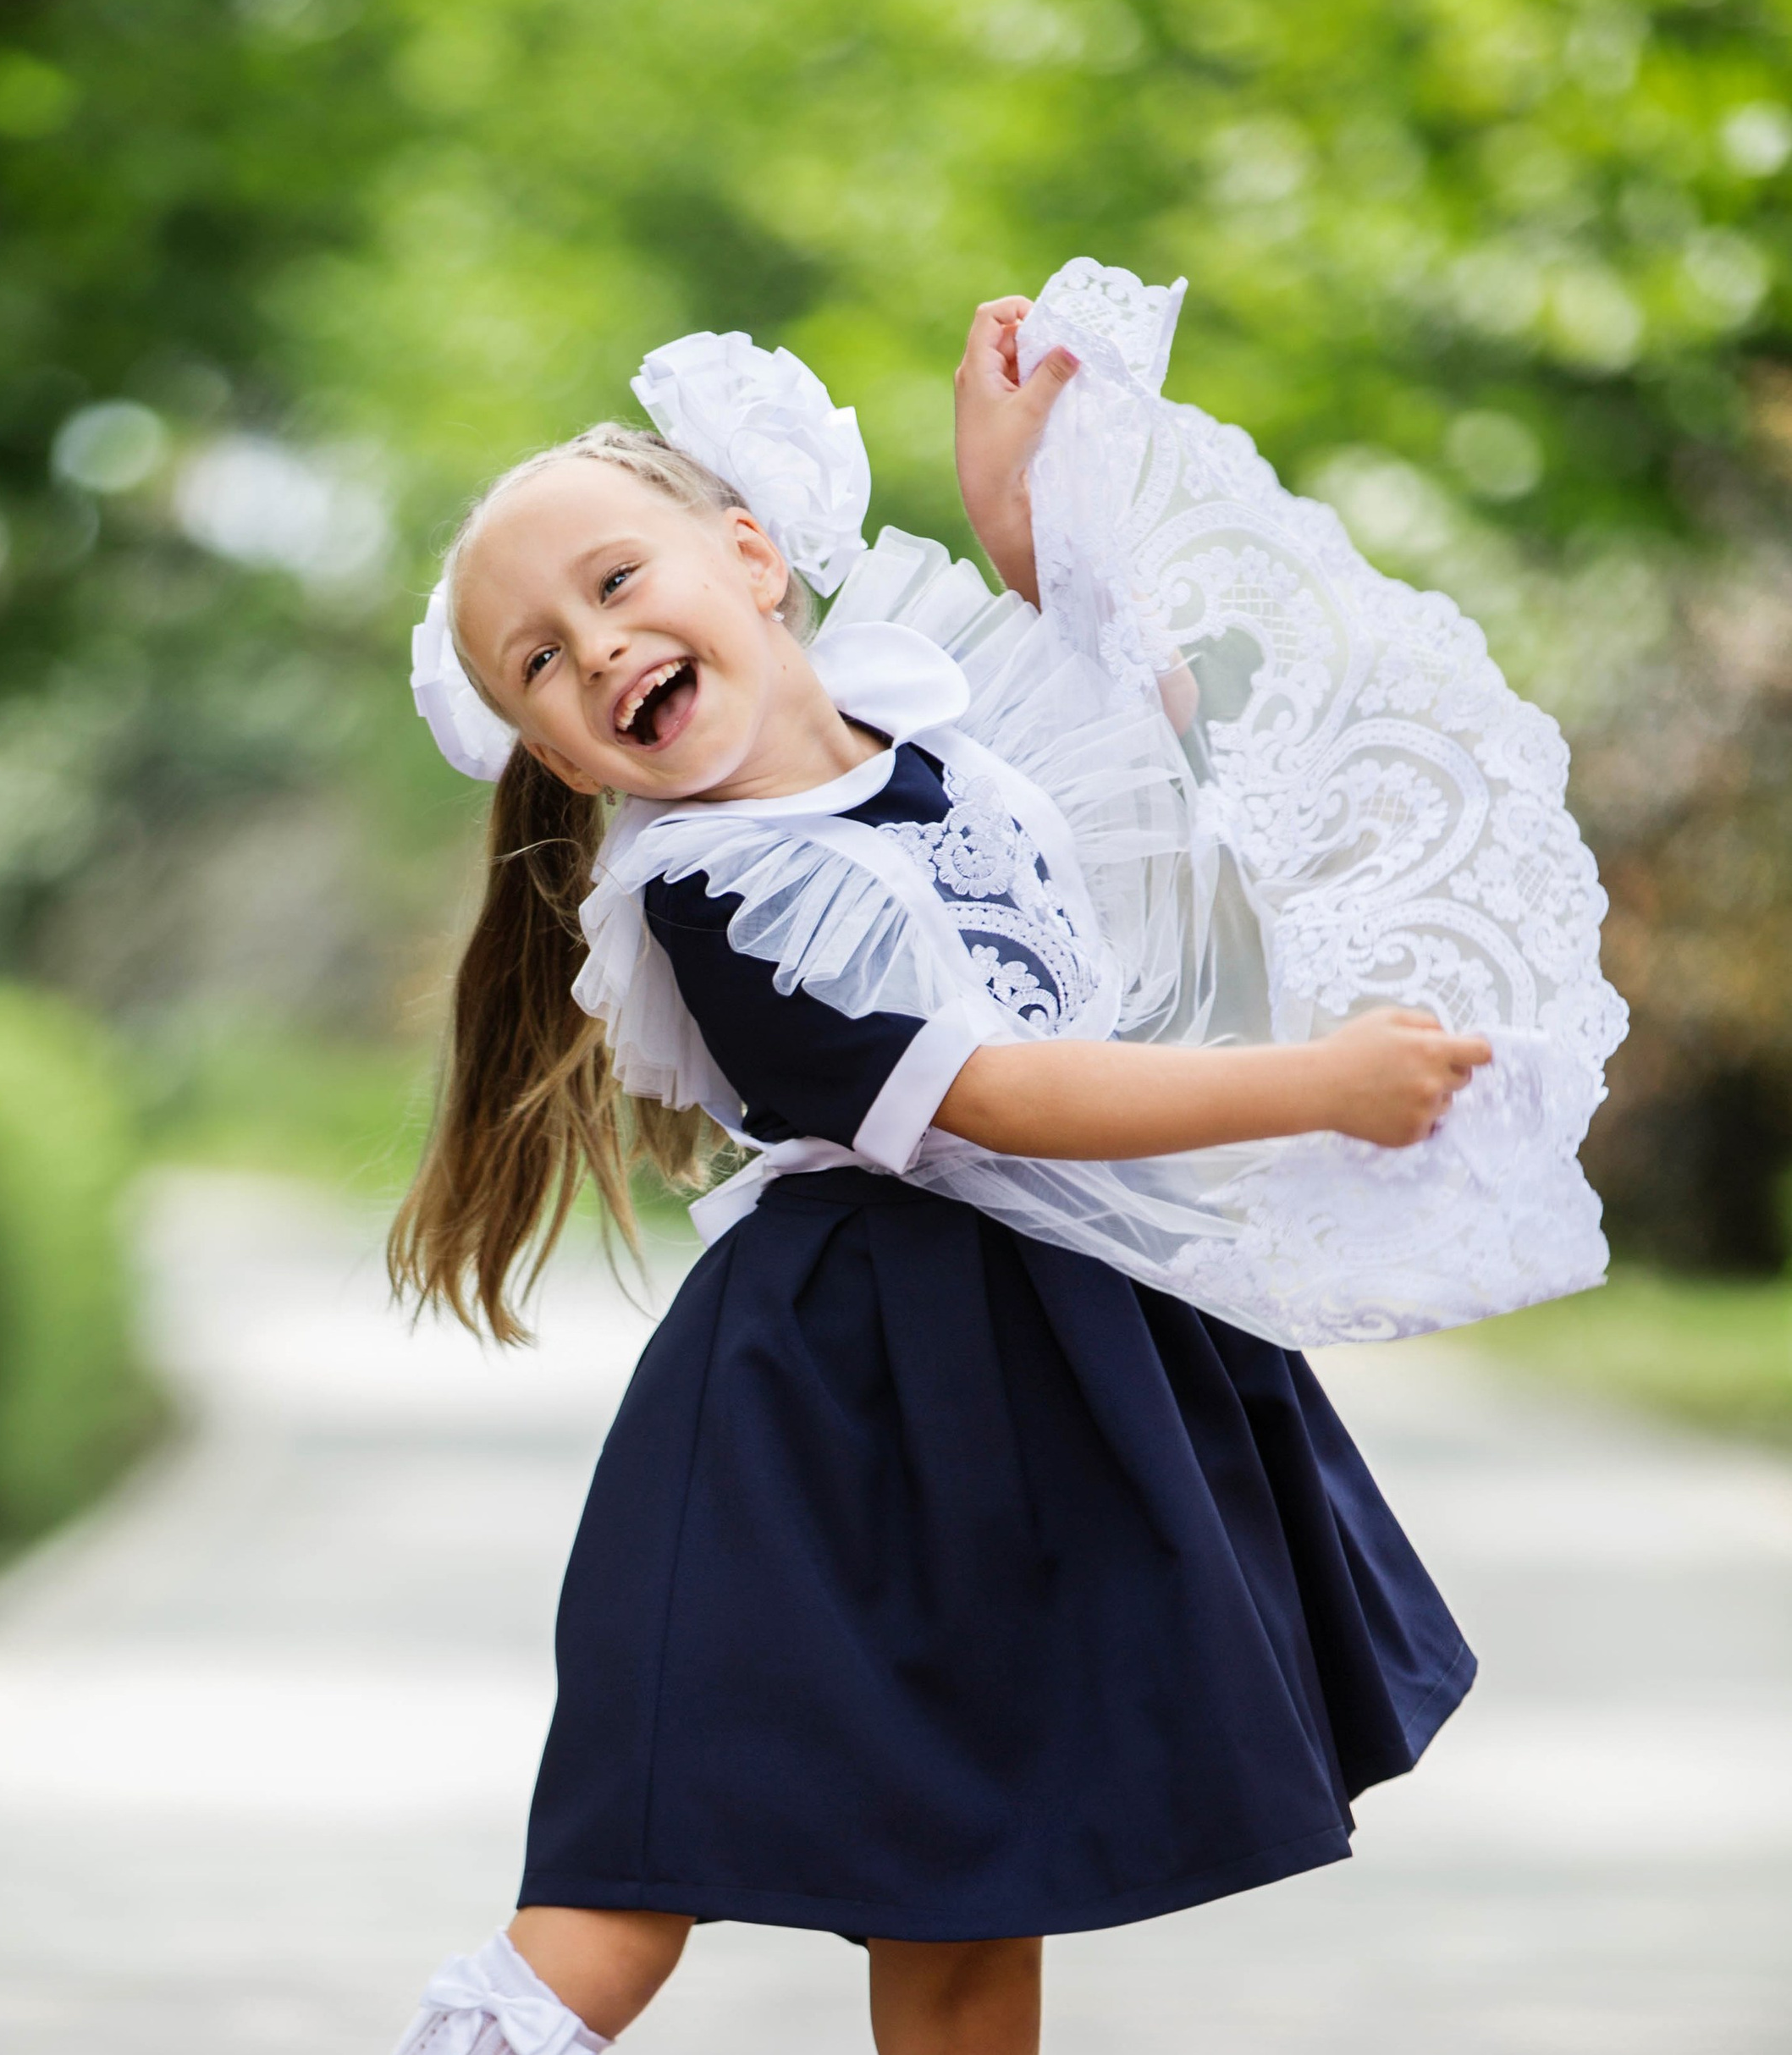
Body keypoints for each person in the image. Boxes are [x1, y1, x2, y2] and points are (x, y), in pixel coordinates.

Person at [384, 257, 1625, 2054]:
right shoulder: (725, 900)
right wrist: (1308, 1083)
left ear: (749, 556)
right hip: (825, 1415)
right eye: (539, 663)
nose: (595, 650)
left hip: (1032, 1366)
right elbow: (1003, 1092)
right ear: (552, 748)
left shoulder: (935, 721)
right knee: (617, 1895)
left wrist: (1019, 535)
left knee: (973, 1892)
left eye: (613, 581)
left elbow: (1158, 767)